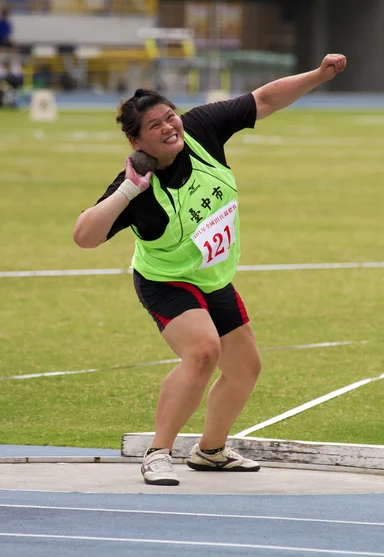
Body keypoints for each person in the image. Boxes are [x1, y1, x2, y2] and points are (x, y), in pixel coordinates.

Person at [73, 53, 347, 486]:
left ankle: (211, 451)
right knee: (202, 352)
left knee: (245, 368)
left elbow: (265, 100)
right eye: (155, 126)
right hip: (165, 282)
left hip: (212, 276)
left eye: (170, 117)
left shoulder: (201, 129)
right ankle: (158, 453)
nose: (169, 127)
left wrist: (318, 74)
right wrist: (128, 188)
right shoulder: (137, 190)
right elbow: (84, 236)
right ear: (137, 144)